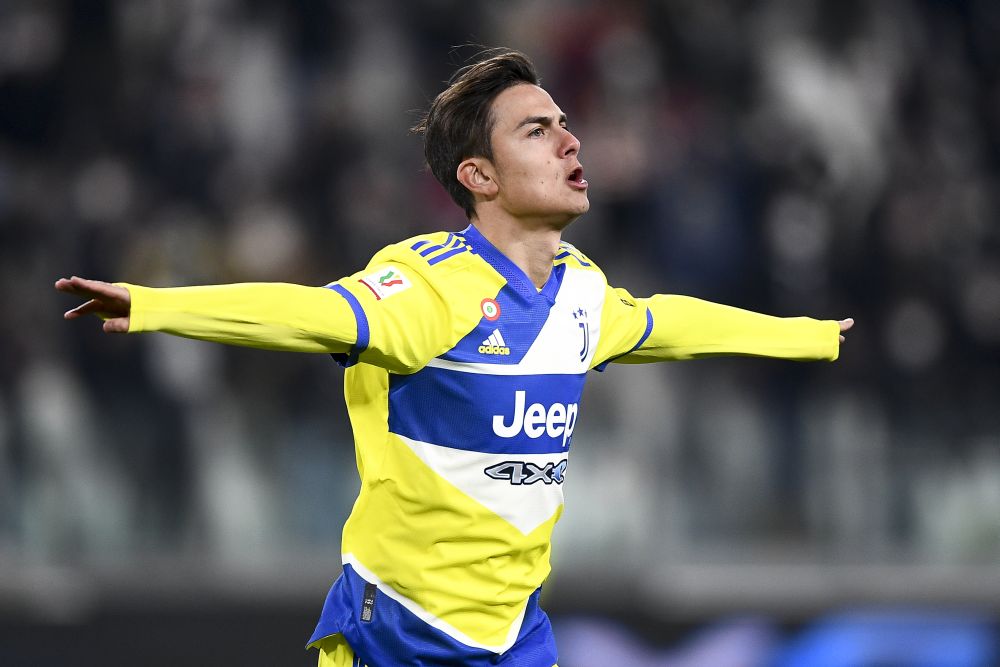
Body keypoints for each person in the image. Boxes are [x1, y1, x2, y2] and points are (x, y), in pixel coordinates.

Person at [57, 49, 853, 667]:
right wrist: (159, 305)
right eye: (536, 131)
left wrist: (804, 334)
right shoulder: (430, 287)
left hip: (514, 631)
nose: (571, 140)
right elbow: (309, 311)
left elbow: (664, 324)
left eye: (565, 123)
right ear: (479, 176)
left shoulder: (582, 291)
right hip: (402, 630)